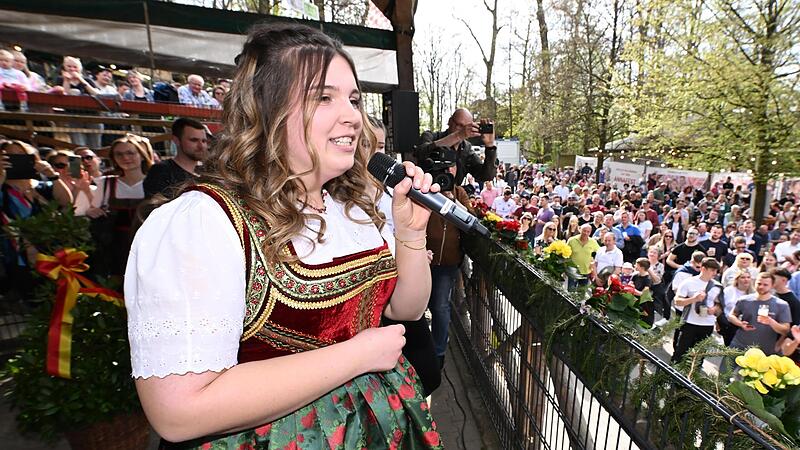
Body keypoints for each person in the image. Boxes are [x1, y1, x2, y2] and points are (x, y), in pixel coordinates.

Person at [125, 23, 441, 448]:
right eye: (323, 98)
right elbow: (178, 411)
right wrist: (356, 357)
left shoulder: (353, 205)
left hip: (377, 426)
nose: (352, 115)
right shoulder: (203, 222)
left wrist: (410, 232)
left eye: (353, 99)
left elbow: (407, 308)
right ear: (267, 110)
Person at [1, 140, 72, 300]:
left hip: (53, 250)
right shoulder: (3, 189)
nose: (15, 158)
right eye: (9, 155)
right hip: (18, 255)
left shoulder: (42, 186)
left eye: (21, 154)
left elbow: (66, 201)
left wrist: (52, 175)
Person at [423, 152, 472, 369]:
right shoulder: (423, 190)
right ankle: (420, 349)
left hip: (448, 263)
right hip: (421, 260)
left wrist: (451, 201)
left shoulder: (459, 192)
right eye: (441, 168)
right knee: (419, 307)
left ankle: (439, 353)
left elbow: (470, 220)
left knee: (441, 307)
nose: (446, 172)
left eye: (450, 167)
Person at [89, 134, 152, 278]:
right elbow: (91, 210)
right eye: (119, 154)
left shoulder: (154, 182)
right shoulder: (105, 184)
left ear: (142, 155)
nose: (125, 158)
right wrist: (92, 211)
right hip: (114, 251)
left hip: (147, 249)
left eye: (130, 153)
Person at [416, 108, 497, 185]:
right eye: (460, 125)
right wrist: (457, 136)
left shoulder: (466, 149)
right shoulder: (430, 136)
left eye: (467, 127)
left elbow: (486, 176)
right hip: (425, 191)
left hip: (451, 194)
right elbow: (420, 153)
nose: (463, 130)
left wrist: (490, 146)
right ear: (450, 121)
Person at [671, 258, 722, 363]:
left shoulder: (718, 286)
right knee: (681, 351)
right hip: (690, 322)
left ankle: (693, 375)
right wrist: (694, 299)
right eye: (712, 270)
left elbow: (720, 305)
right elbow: (677, 301)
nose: (715, 273)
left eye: (716, 271)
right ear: (703, 269)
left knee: (699, 355)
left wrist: (715, 309)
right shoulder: (689, 282)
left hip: (707, 324)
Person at [728, 272, 791, 356]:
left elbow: (786, 330)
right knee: (726, 369)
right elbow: (731, 315)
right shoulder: (744, 300)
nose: (761, 287)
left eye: (765, 285)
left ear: (772, 286)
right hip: (739, 345)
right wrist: (740, 324)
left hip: (764, 351)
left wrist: (771, 322)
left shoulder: (782, 305)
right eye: (759, 283)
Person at [143, 118, 209, 198]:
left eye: (204, 141)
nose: (201, 146)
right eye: (194, 140)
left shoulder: (208, 172)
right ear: (176, 140)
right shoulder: (161, 172)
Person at [719, 271, 754, 346]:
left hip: (746, 323)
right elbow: (720, 306)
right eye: (743, 277)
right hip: (728, 322)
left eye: (748, 277)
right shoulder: (729, 290)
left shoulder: (753, 293)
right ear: (737, 279)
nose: (746, 279)